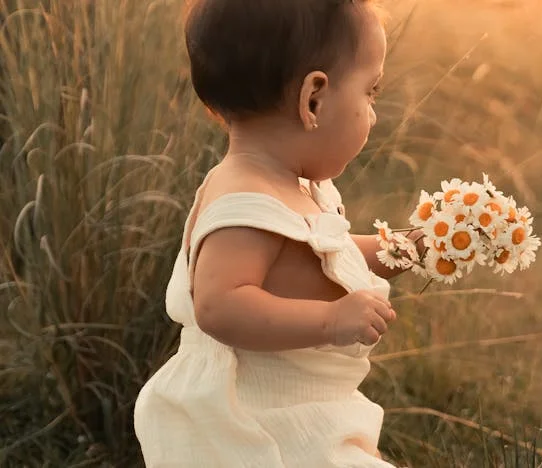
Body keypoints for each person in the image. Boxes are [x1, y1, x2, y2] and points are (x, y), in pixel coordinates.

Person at [134, 1, 413, 465]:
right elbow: (220, 305)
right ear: (314, 100)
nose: (374, 112)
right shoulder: (244, 200)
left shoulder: (297, 187)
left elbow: (332, 252)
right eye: (371, 91)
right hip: (255, 424)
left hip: (301, 411)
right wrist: (331, 320)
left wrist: (409, 246)